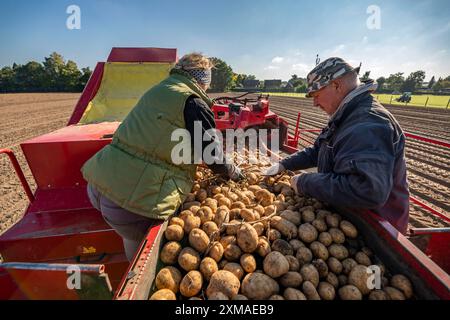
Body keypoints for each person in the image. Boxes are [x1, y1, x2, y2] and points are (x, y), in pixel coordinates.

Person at [82, 53, 243, 261]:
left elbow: (159, 136)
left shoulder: (158, 90)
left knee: (126, 233)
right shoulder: (194, 102)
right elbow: (214, 158)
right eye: (207, 84)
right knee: (140, 254)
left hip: (100, 183)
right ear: (202, 81)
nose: (207, 89)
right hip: (132, 200)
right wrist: (234, 171)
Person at [265, 57, 410, 234]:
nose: (315, 103)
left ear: (336, 85)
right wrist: (284, 164)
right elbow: (319, 149)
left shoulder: (368, 124)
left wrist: (305, 182)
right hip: (349, 217)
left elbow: (366, 189)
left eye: (316, 95)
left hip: (376, 232)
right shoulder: (346, 114)